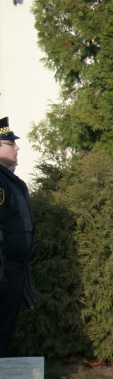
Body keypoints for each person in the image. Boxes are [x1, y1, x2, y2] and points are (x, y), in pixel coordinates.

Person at [0, 117, 35, 357]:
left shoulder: (10, 181)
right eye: (10, 142)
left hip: (14, 270)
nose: (17, 147)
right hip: (3, 271)